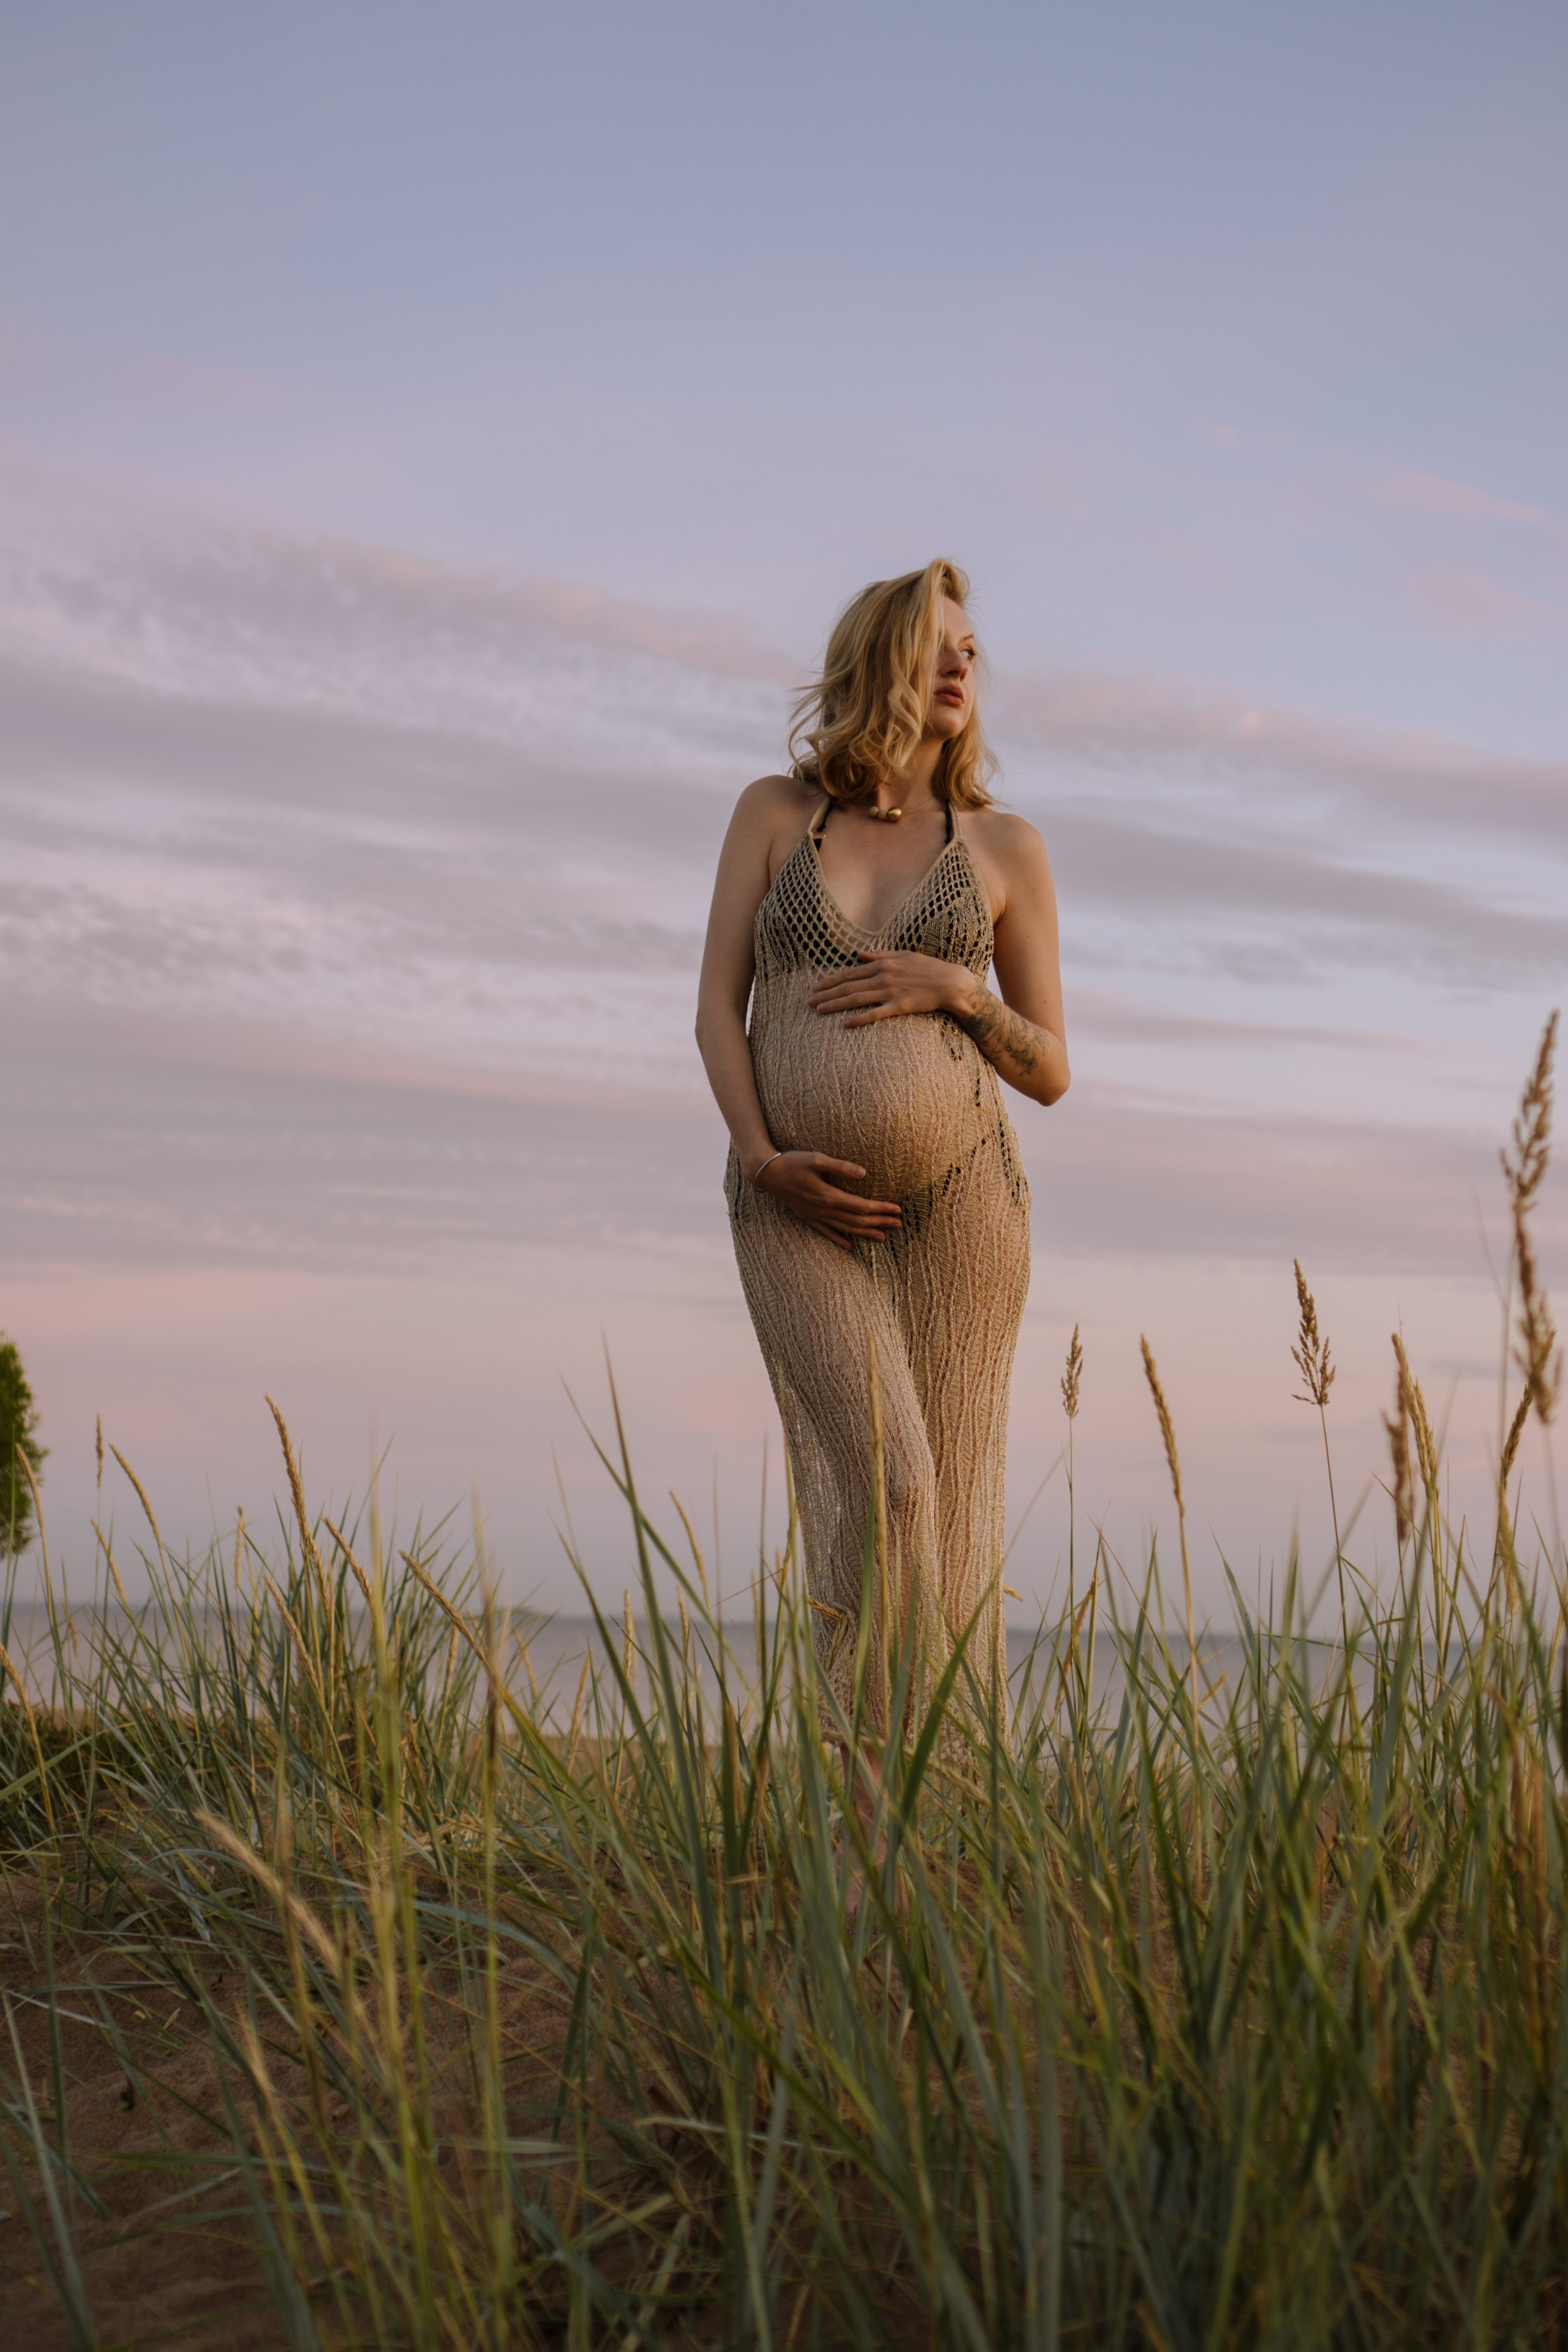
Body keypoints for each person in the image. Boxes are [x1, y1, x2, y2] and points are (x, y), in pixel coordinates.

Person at [695, 558, 1068, 1757]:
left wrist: (959, 988)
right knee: (889, 1492)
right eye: (933, 646)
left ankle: (943, 1819)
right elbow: (715, 1007)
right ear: (875, 664)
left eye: (970, 650)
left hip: (961, 1202)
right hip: (789, 1201)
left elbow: (1049, 1068)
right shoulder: (773, 811)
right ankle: (865, 1796)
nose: (961, 667)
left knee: (943, 1525)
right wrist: (758, 1157)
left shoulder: (1004, 847)